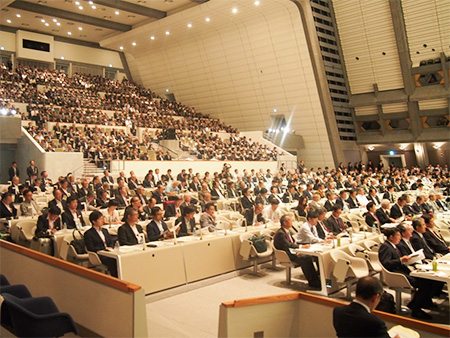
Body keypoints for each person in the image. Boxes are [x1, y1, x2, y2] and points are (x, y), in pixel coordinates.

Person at [378, 228, 434, 319]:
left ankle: (418, 304)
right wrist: (401, 260)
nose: (400, 238)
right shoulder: (386, 247)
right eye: (398, 236)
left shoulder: (394, 246)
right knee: (424, 284)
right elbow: (386, 263)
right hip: (395, 274)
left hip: (402, 270)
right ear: (391, 237)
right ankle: (416, 308)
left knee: (427, 280)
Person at [273, 215, 321, 289]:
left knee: (308, 256)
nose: (292, 222)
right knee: (305, 258)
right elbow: (287, 245)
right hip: (286, 254)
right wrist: (299, 248)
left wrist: (299, 249)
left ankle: (316, 279)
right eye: (290, 220)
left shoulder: (287, 231)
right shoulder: (280, 233)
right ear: (285, 222)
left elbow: (293, 243)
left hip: (291, 251)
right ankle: (313, 282)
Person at [84, 211, 118, 277]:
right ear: (94, 221)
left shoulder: (105, 230)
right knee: (113, 261)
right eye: (100, 219)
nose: (102, 221)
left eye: (103, 218)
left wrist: (110, 247)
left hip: (110, 252)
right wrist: (104, 249)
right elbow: (91, 248)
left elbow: (111, 242)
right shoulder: (88, 233)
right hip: (99, 255)